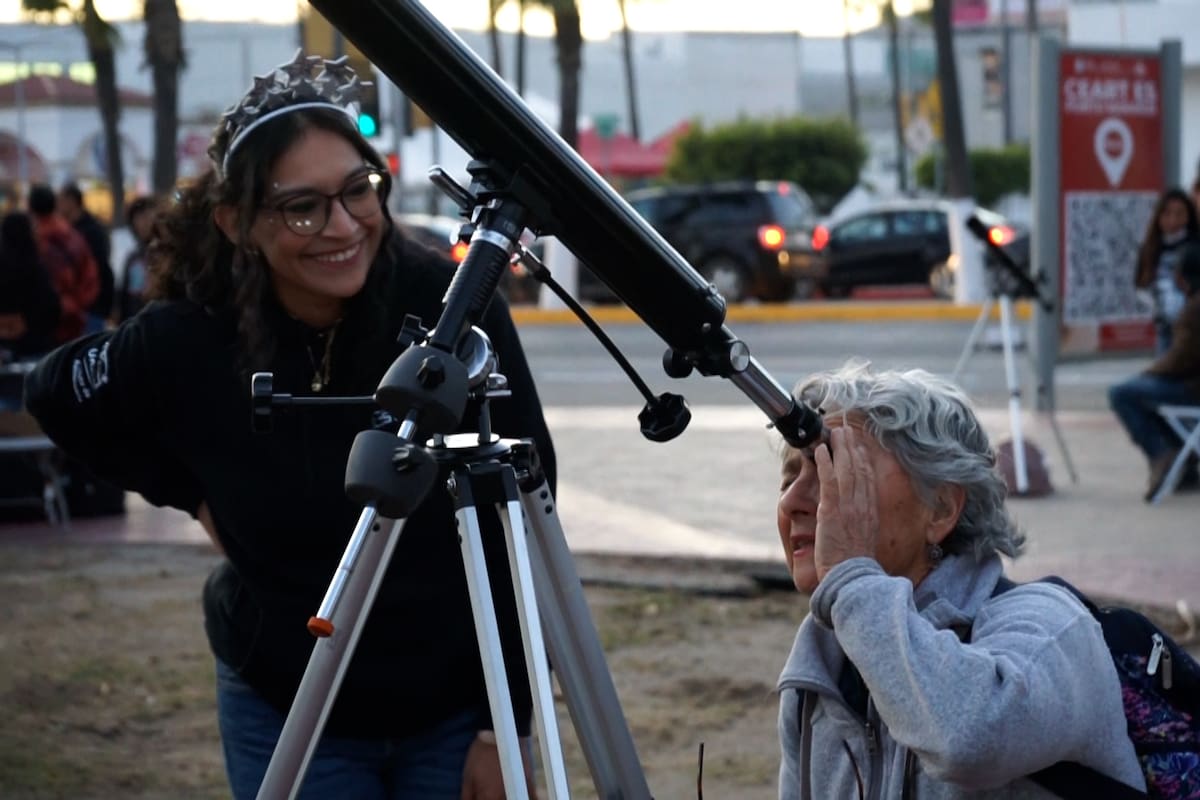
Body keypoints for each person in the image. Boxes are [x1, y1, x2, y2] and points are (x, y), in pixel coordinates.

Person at [25, 52, 555, 800]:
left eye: (357, 192)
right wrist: (186, 491)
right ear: (237, 222)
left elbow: (527, 509)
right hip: (285, 699)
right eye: (302, 207)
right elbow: (57, 392)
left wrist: (508, 724)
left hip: (451, 704)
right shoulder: (189, 335)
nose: (341, 227)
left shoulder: (449, 303)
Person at [774, 362, 1143, 799]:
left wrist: (851, 579)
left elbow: (967, 739)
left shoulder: (1051, 629)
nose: (793, 500)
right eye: (790, 476)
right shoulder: (823, 660)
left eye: (837, 475)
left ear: (941, 509)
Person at [1110, 241, 1200, 501]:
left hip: (1193, 389)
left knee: (1122, 394)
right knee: (1148, 396)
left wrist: (1150, 373)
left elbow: (1180, 359)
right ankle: (1183, 454)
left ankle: (1162, 452)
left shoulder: (1194, 309)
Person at [27, 184, 99, 345]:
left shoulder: (33, 241)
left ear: (31, 208)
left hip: (42, 325)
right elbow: (90, 276)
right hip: (75, 321)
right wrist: (78, 304)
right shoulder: (73, 236)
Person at [1135, 187, 1199, 354]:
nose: (1172, 220)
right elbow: (1140, 284)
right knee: (1165, 374)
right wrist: (1155, 301)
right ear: (1158, 217)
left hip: (1192, 328)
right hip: (1164, 328)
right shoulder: (1149, 249)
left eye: (1179, 214)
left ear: (1188, 217)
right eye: (1167, 214)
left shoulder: (1195, 247)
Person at [58, 182, 115, 329]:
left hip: (92, 306)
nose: (58, 206)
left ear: (72, 201)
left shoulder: (91, 231)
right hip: (78, 306)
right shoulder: (68, 230)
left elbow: (99, 266)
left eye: (61, 201)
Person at [111, 194, 158, 323]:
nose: (143, 223)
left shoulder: (167, 254)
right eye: (138, 218)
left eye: (147, 216)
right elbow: (125, 296)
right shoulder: (133, 258)